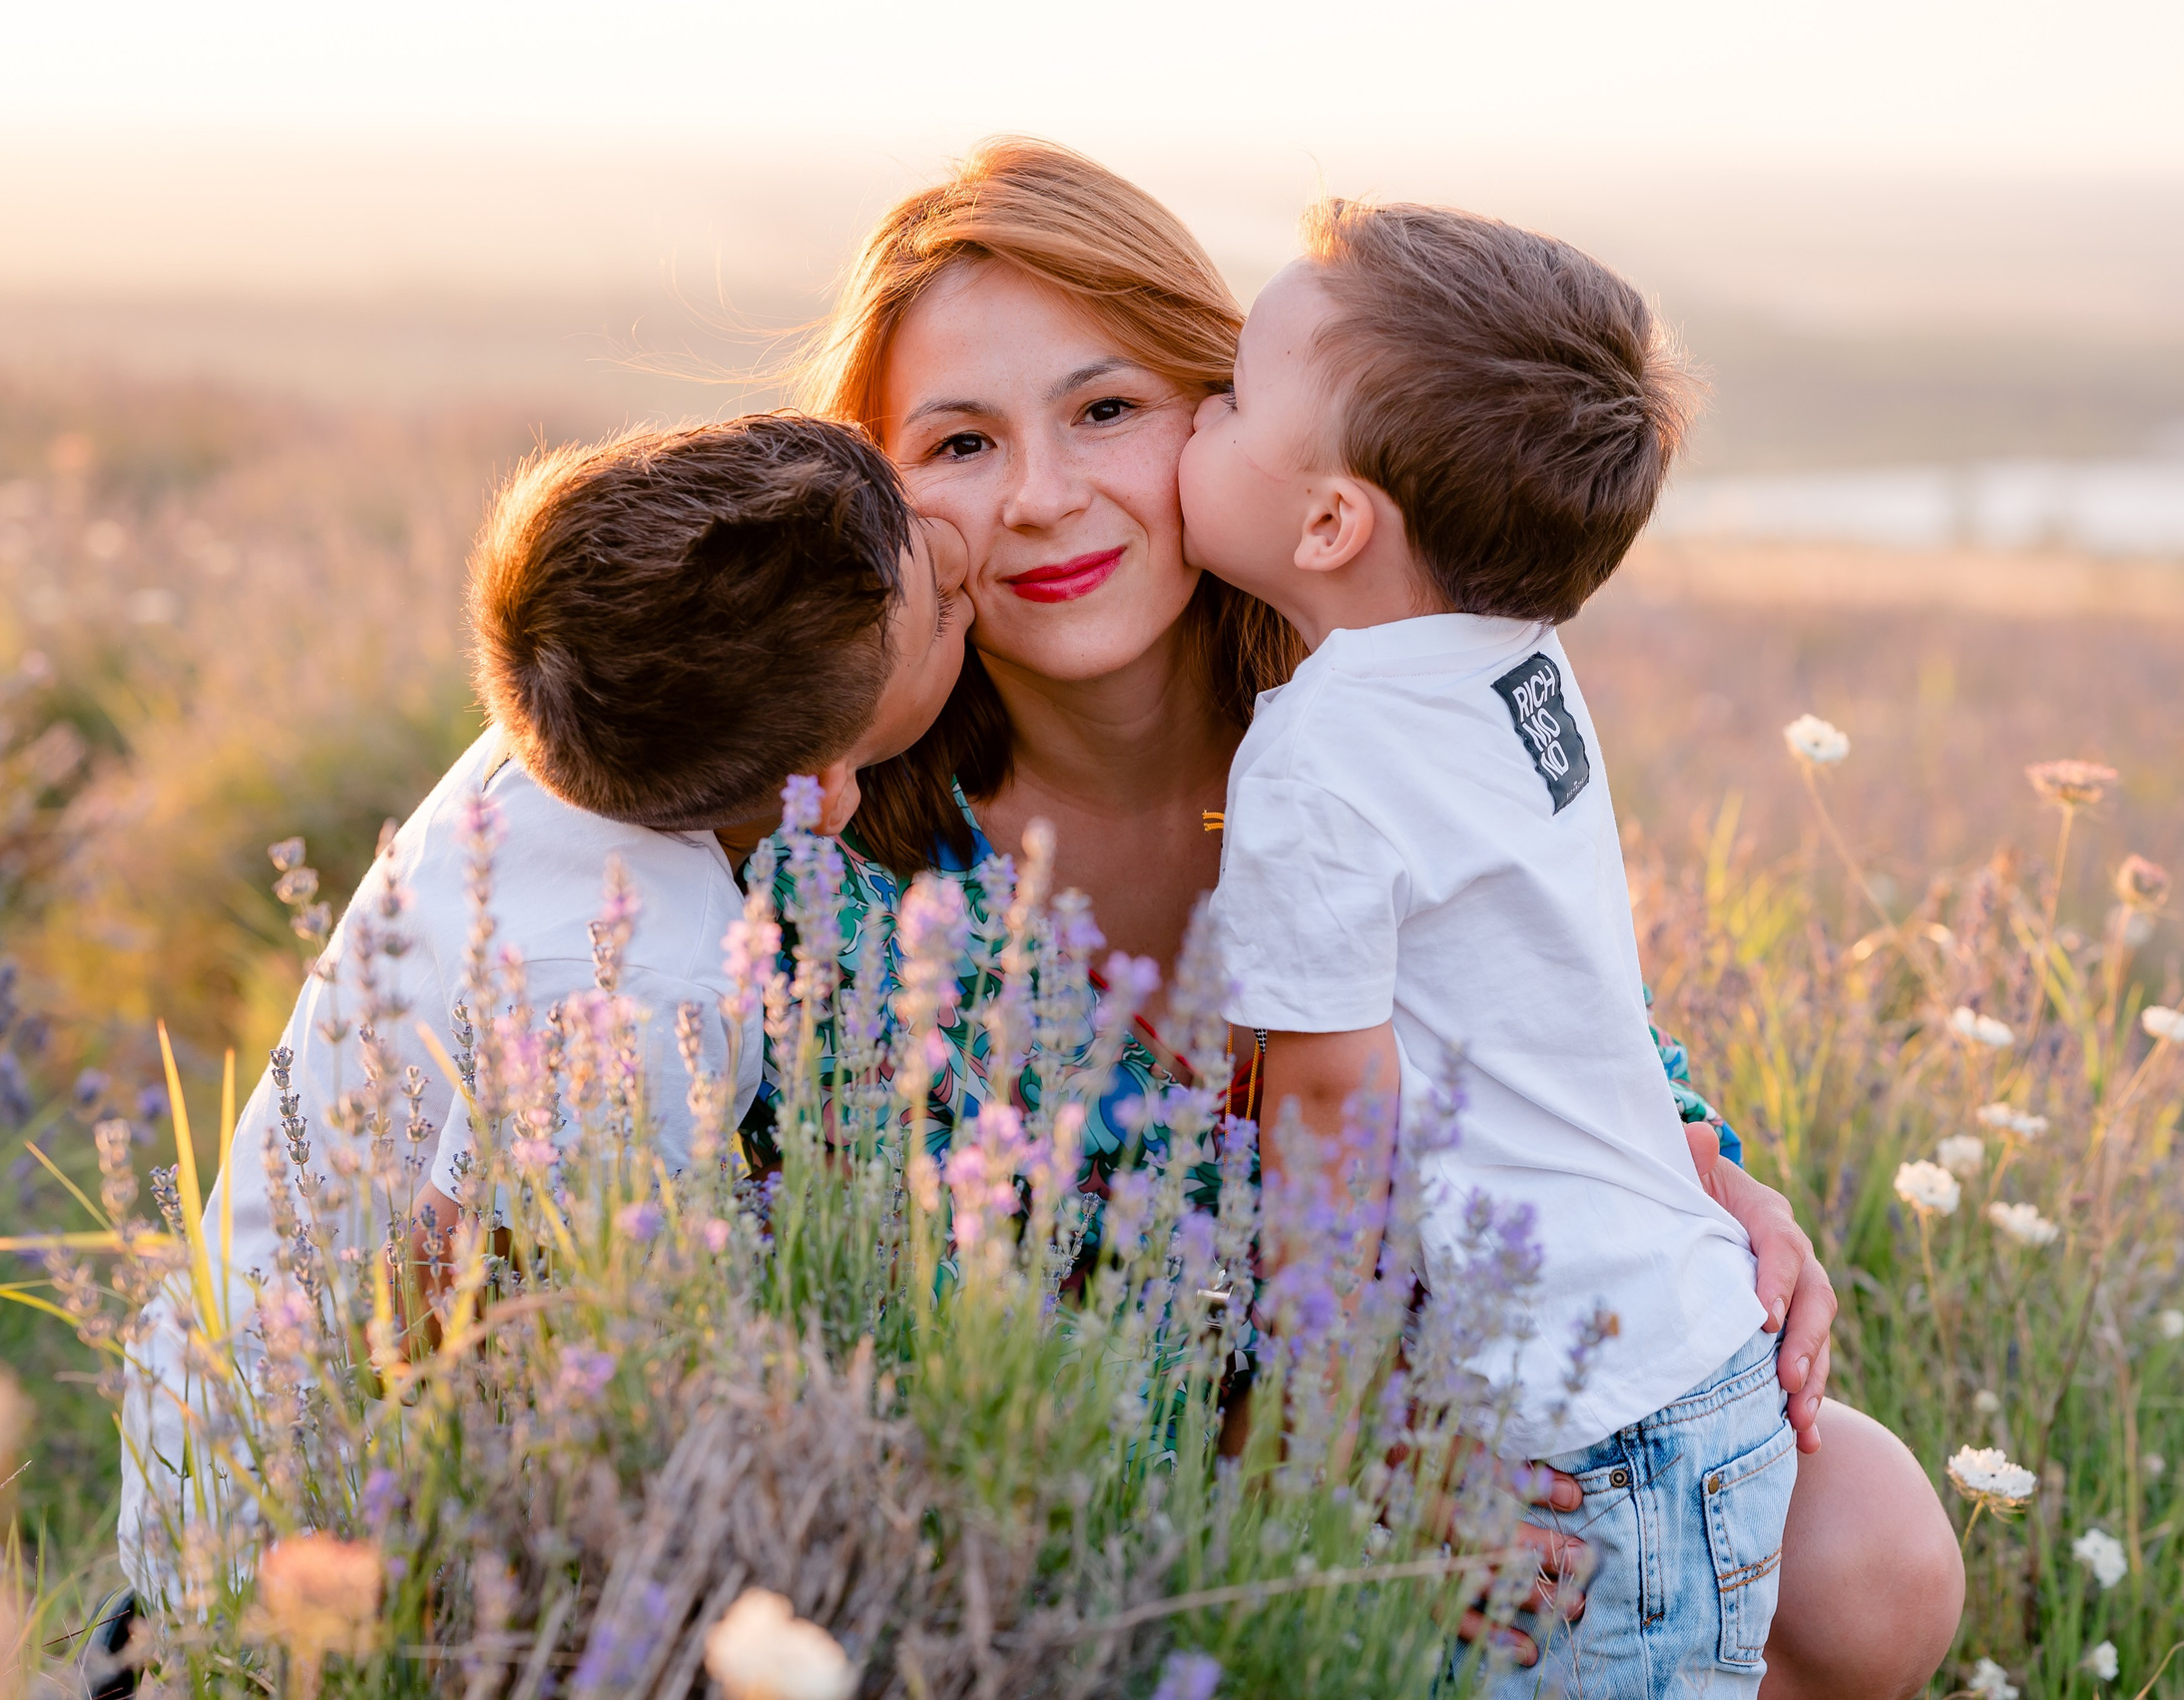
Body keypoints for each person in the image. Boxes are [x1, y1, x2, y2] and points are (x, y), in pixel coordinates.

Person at [792, 139, 1962, 1698]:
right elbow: (943, 1355)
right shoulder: (853, 848)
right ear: (880, 490)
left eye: (1107, 410)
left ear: (1240, 433)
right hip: (1117, 1491)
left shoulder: (1363, 709)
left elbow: (1545, 981)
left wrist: (1698, 1173)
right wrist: (1342, 1472)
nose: (1043, 497)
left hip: (1452, 1391)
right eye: (956, 442)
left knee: (1870, 1549)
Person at [116, 414, 973, 1601]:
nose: (959, 559)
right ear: (819, 792)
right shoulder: (642, 985)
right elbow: (471, 1308)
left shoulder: (547, 749)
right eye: (942, 609)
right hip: (304, 1528)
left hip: (209, 1413)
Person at [1187, 197, 1789, 1697]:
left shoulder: (1319, 756)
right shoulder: (1520, 662)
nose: (1200, 411)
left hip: (1569, 1429)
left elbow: (1335, 1107)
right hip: (1689, 1352)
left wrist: (1326, 1431)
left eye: (1232, 399)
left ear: (1329, 525)